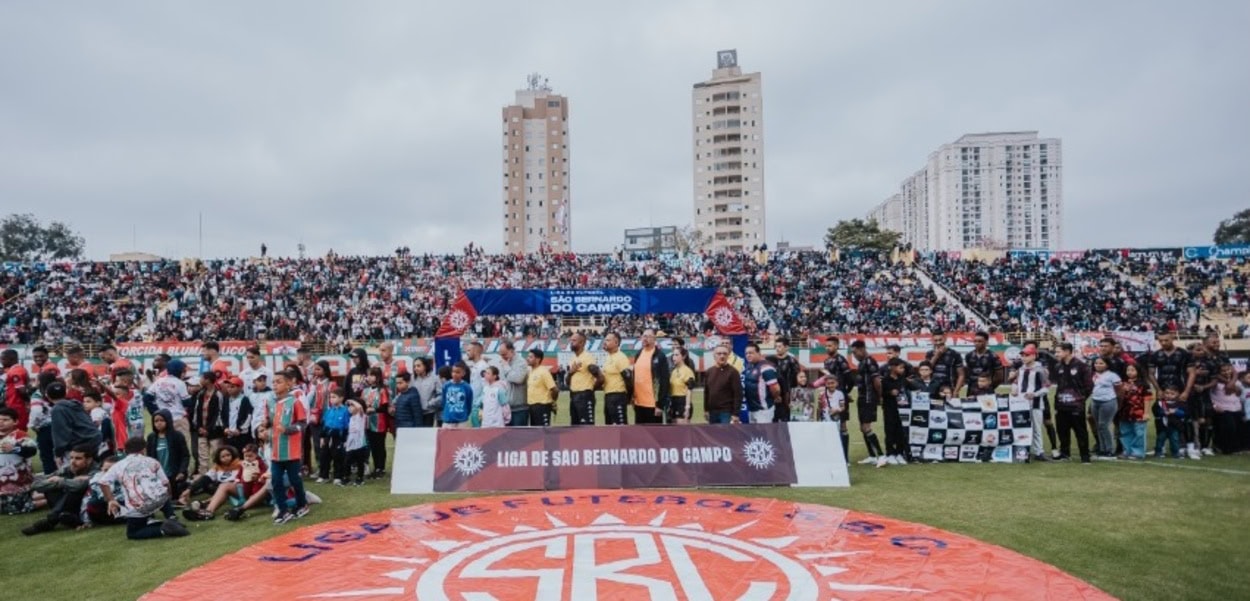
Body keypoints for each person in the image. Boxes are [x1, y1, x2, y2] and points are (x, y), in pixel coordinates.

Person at [100, 437, 189, 539]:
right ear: (143, 449)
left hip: (139, 506)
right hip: (160, 500)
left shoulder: (119, 465)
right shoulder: (152, 461)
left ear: (125, 451)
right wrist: (169, 499)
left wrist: (111, 500)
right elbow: (166, 483)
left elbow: (103, 482)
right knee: (160, 492)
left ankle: (162, 529)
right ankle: (172, 517)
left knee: (133, 533)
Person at [22, 444, 97, 535]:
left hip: (85, 508)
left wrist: (62, 481)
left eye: (78, 458)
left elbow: (80, 486)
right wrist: (60, 482)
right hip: (67, 506)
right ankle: (65, 517)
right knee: (53, 488)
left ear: (89, 460)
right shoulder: (67, 469)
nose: (73, 462)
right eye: (71, 458)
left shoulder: (97, 470)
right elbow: (36, 485)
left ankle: (52, 520)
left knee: (74, 490)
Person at [266, 370, 309, 524]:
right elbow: (268, 422)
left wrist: (289, 429)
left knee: (294, 481)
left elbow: (303, 423)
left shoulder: (295, 402)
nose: (275, 385)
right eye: (273, 382)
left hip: (292, 451)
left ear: (288, 384)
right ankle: (283, 510)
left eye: (279, 382)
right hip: (276, 451)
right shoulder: (270, 402)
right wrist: (263, 429)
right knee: (276, 481)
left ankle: (302, 504)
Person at [1053, 343, 1093, 463]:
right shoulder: (1058, 366)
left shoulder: (1081, 366)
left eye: (1058, 352)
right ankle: (1065, 454)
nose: (1056, 354)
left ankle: (1085, 456)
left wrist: (1080, 399)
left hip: (1076, 406)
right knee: (1062, 430)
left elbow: (1089, 386)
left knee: (1080, 431)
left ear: (1067, 351)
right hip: (1061, 405)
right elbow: (1059, 386)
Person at [1013, 345, 1052, 462]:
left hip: (1035, 403)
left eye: (1027, 355)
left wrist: (1034, 394)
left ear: (1034, 356)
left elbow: (1047, 387)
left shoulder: (1041, 370)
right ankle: (1024, 450)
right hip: (1020, 403)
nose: (1024, 357)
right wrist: (1014, 388)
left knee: (1036, 428)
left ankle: (1039, 452)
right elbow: (1016, 382)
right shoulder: (1021, 369)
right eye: (1023, 355)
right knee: (1021, 427)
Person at [850, 340, 886, 466]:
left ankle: (881, 456)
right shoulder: (862, 363)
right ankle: (872, 456)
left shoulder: (870, 361)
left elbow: (877, 381)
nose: (854, 355)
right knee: (862, 428)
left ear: (862, 349)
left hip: (868, 398)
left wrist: (880, 397)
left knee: (866, 427)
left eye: (855, 352)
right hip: (861, 397)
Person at [49, 381, 102, 466]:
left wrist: (58, 453)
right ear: (65, 393)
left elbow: (61, 434)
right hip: (95, 439)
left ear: (48, 396)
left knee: (74, 471)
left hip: (81, 444)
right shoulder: (75, 404)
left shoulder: (57, 409)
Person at [181, 445, 240, 517]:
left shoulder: (240, 464)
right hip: (220, 487)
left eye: (228, 455)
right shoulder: (217, 467)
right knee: (205, 483)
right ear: (219, 458)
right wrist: (189, 489)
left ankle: (205, 507)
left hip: (236, 487)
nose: (226, 458)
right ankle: (200, 504)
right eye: (223, 457)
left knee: (224, 486)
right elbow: (206, 478)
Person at [147, 410, 190, 503]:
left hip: (174, 474)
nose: (158, 423)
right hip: (159, 475)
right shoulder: (151, 437)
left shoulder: (177, 436)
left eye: (161, 420)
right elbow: (149, 458)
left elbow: (185, 456)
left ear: (168, 421)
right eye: (156, 421)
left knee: (175, 495)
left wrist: (182, 471)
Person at [0, 407, 38, 514]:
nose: (1, 422)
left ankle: (51, 499)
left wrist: (15, 449)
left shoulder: (20, 435)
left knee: (16, 508)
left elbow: (32, 450)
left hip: (20, 483)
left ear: (15, 421)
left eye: (5, 420)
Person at [880, 358, 917, 466]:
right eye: (900, 367)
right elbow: (881, 393)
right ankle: (890, 453)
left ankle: (900, 453)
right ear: (892, 367)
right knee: (890, 430)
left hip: (903, 409)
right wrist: (889, 393)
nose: (903, 369)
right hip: (889, 408)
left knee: (901, 431)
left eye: (903, 367)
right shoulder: (885, 380)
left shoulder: (903, 379)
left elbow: (914, 388)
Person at [189, 371, 225, 476]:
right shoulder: (200, 394)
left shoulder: (218, 395)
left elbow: (219, 413)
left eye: (202, 378)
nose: (200, 380)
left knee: (216, 454)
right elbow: (197, 411)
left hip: (214, 431)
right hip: (201, 429)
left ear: (208, 380)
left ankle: (217, 475)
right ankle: (203, 476)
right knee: (202, 455)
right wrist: (199, 426)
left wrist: (209, 429)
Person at [631, 329, 670, 425]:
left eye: (648, 336)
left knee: (654, 437)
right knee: (640, 436)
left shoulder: (660, 356)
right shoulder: (639, 354)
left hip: (653, 405)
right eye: (643, 336)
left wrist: (660, 405)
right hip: (639, 404)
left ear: (654, 339)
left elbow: (664, 381)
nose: (645, 338)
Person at [149, 359, 192, 445]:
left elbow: (147, 398)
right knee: (182, 445)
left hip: (163, 419)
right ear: (179, 371)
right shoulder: (180, 383)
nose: (185, 373)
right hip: (178, 418)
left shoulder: (159, 381)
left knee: (166, 444)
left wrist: (155, 412)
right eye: (184, 371)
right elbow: (186, 402)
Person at [565, 333, 602, 426]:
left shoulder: (587, 358)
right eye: (571, 340)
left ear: (582, 343)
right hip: (573, 396)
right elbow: (567, 382)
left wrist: (590, 390)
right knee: (574, 427)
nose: (571, 343)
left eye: (574, 340)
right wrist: (570, 373)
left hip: (585, 395)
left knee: (586, 427)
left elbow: (601, 378)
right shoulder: (573, 358)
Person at [1118, 363, 1151, 460]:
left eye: (1132, 370)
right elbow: (1119, 397)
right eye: (1128, 370)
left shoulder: (1143, 384)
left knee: (1139, 432)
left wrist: (1146, 412)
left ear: (1138, 371)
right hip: (1125, 412)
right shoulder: (1123, 384)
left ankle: (1138, 452)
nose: (1130, 372)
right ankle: (1127, 450)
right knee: (1125, 432)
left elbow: (1147, 398)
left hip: (1138, 412)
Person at [742, 344, 781, 424]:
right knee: (754, 435)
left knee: (765, 434)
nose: (748, 355)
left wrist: (776, 397)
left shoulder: (766, 367)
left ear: (759, 353)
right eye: (746, 353)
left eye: (751, 353)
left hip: (764, 410)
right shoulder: (749, 367)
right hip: (752, 409)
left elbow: (776, 388)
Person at [360, 367, 389, 477]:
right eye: (368, 375)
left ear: (378, 377)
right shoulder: (365, 391)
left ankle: (380, 468)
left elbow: (384, 407)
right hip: (368, 422)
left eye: (372, 375)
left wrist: (374, 410)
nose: (370, 377)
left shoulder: (382, 390)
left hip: (379, 422)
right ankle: (375, 467)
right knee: (371, 445)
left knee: (380, 445)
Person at [1209, 363, 1243, 454]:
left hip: (1236, 409)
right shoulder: (1216, 383)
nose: (1226, 372)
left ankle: (1235, 448)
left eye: (1228, 370)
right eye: (1223, 371)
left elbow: (1239, 394)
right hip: (1223, 409)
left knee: (1236, 429)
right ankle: (1225, 448)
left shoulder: (1236, 381)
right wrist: (1214, 405)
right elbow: (1209, 395)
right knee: (1228, 428)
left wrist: (1232, 385)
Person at [704, 345, 743, 424]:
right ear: (714, 355)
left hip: (726, 412)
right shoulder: (709, 371)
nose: (722, 356)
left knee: (726, 435)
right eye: (719, 353)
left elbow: (738, 394)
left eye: (725, 354)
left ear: (728, 356)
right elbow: (706, 392)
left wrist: (735, 414)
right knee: (713, 435)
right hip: (712, 412)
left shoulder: (733, 372)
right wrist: (706, 410)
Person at [600, 332, 633, 426]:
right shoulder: (608, 358)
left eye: (608, 340)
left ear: (616, 342)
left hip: (618, 396)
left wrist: (629, 397)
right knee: (609, 427)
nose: (605, 342)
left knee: (620, 427)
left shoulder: (621, 358)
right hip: (608, 396)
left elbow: (629, 379)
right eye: (605, 340)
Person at [318, 388, 349, 484]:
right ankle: (324, 475)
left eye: (334, 397)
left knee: (338, 457)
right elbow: (324, 424)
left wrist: (345, 440)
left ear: (341, 398)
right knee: (324, 456)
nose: (331, 399)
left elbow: (347, 426)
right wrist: (322, 437)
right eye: (330, 397)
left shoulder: (345, 411)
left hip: (338, 437)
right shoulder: (329, 411)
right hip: (327, 436)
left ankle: (338, 476)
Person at [498, 341, 530, 427]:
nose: (502, 357)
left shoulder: (521, 362)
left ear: (512, 350)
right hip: (506, 408)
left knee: (519, 437)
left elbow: (518, 379)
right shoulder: (504, 363)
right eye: (501, 355)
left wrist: (506, 367)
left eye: (504, 354)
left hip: (519, 408)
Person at [925, 331, 965, 396]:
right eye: (936, 340)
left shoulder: (955, 354)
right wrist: (936, 355)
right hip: (933, 388)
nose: (938, 342)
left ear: (945, 339)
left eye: (940, 340)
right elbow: (926, 369)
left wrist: (956, 391)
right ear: (933, 341)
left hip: (950, 388)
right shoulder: (929, 354)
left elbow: (961, 375)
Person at [770, 337, 801, 423]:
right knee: (774, 419)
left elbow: (798, 377)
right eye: (776, 346)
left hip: (789, 394)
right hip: (774, 394)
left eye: (779, 346)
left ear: (786, 347)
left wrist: (794, 396)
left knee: (790, 419)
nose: (777, 348)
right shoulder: (771, 360)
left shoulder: (792, 361)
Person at [220, 376, 254, 451]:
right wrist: (225, 428)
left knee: (241, 454)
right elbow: (222, 415)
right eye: (228, 387)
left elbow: (248, 416)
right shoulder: (226, 400)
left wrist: (240, 429)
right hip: (228, 433)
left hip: (241, 434)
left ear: (240, 388)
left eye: (232, 387)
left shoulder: (244, 399)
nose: (229, 389)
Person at [526, 350, 558, 427]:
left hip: (542, 406)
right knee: (535, 433)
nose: (527, 358)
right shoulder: (531, 372)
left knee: (544, 432)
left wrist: (553, 401)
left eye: (530, 357)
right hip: (532, 406)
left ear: (538, 359)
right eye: (528, 356)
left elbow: (554, 389)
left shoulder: (544, 372)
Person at [1153, 385, 1185, 459]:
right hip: (1163, 426)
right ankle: (1158, 452)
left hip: (1174, 426)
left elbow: (1183, 413)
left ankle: (1175, 453)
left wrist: (1175, 411)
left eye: (1172, 393)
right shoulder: (1160, 403)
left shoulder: (1179, 403)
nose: (1169, 395)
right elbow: (1156, 411)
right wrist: (1164, 412)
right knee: (1160, 439)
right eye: (1167, 393)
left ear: (1177, 394)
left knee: (1175, 440)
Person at [1, 349, 30, 432]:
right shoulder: (16, 369)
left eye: (3, 359)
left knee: (18, 430)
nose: (1, 361)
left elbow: (22, 390)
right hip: (14, 404)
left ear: (11, 359)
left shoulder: (16, 371)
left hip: (17, 405)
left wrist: (27, 403)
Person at [668, 347, 697, 424]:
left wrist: (687, 408)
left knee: (682, 430)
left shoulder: (687, 371)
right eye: (673, 355)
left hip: (682, 402)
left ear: (683, 356)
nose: (674, 357)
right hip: (673, 402)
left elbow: (689, 390)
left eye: (677, 355)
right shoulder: (674, 371)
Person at [411, 358, 441, 427]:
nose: (416, 368)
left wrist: (429, 404)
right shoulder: (412, 378)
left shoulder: (434, 378)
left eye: (418, 366)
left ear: (425, 366)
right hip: (415, 412)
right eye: (414, 366)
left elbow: (441, 395)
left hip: (429, 413)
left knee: (426, 435)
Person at [441, 363, 473, 429]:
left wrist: (464, 414)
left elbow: (469, 403)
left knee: (461, 438)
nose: (454, 374)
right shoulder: (446, 385)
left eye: (458, 372)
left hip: (462, 420)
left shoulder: (467, 387)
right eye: (453, 371)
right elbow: (444, 401)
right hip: (448, 419)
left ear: (463, 373)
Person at [344, 400, 369, 485]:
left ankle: (360, 478)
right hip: (350, 443)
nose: (350, 407)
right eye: (349, 406)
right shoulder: (350, 418)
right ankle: (346, 477)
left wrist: (352, 401)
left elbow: (359, 407)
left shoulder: (361, 416)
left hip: (359, 443)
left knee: (360, 462)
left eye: (352, 406)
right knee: (347, 461)